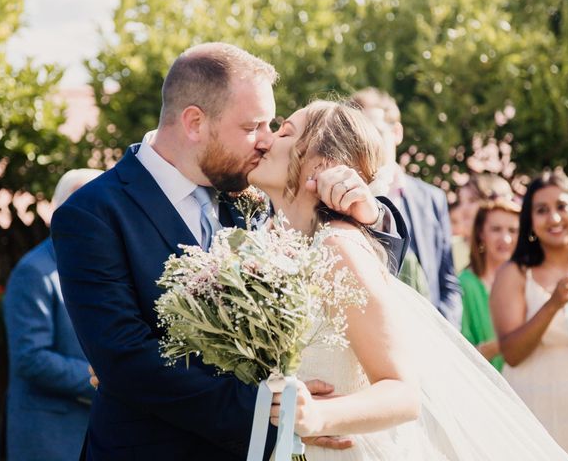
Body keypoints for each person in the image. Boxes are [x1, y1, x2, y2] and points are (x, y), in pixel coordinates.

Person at [50, 43, 409, 460]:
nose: (265, 140)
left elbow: (347, 269)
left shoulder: (250, 193)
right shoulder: (93, 214)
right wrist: (270, 417)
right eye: (253, 126)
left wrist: (371, 215)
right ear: (195, 123)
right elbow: (127, 359)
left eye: (273, 125)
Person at [247, 100, 568, 460]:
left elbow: (402, 393)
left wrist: (317, 415)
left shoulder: (336, 247)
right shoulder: (273, 244)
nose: (266, 140)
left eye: (285, 132)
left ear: (321, 166)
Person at [3, 168, 102, 461]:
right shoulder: (34, 271)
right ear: (60, 213)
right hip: (50, 436)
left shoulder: (100, 268)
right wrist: (106, 380)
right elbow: (31, 357)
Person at [350, 88, 462, 329]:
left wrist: (444, 332)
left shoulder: (432, 198)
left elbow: (448, 281)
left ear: (396, 131)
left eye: (376, 132)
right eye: (359, 136)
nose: (368, 143)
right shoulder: (344, 198)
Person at [490, 170, 568, 455]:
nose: (554, 218)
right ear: (530, 221)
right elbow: (512, 353)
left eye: (562, 207)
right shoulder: (514, 274)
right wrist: (553, 304)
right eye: (542, 210)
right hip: (536, 411)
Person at [459, 198, 520, 371]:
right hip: (489, 388)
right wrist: (509, 342)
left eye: (513, 230)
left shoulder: (529, 280)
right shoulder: (466, 284)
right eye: (496, 229)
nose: (506, 238)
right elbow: (463, 355)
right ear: (480, 233)